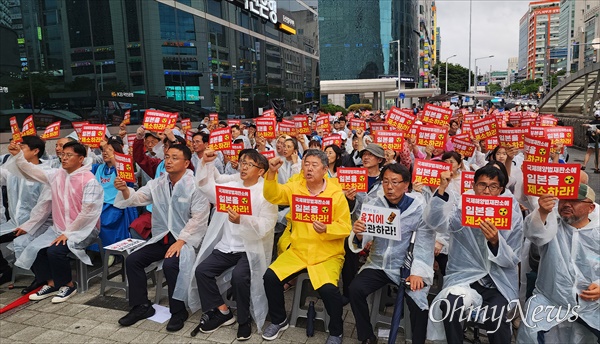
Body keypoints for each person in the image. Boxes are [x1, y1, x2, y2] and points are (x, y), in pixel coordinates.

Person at [113, 144, 209, 332]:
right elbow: (137, 198)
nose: (169, 161)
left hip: (188, 240)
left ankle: (179, 311)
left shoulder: (195, 186)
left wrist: (182, 240)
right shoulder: (158, 183)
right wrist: (125, 189)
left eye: (175, 157)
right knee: (133, 260)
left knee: (172, 264)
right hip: (163, 237)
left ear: (187, 162)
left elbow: (199, 218)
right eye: (167, 157)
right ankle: (141, 306)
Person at [424, 163, 523, 343]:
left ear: (501, 190)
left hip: (497, 284)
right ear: (473, 185)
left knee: (497, 317)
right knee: (450, 306)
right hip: (465, 279)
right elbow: (436, 222)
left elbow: (513, 258)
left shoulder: (512, 215)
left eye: (493, 186)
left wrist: (495, 242)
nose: (487, 191)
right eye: (482, 185)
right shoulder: (461, 208)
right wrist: (441, 190)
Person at [260, 149, 352, 344]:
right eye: (306, 164)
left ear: (325, 169)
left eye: (314, 165)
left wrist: (327, 228)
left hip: (327, 254)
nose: (309, 168)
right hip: (299, 251)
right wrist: (271, 173)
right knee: (270, 277)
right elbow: (273, 196)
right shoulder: (296, 188)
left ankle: (336, 331)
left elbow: (345, 227)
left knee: (329, 291)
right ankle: (279, 320)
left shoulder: (335, 194)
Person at [189, 149, 277, 341]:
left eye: (249, 164)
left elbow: (267, 225)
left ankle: (244, 320)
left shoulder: (266, 192)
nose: (243, 167)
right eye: (242, 162)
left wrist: (243, 220)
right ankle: (223, 311)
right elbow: (205, 186)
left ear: (261, 170)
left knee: (239, 277)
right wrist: (206, 163)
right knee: (202, 270)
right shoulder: (231, 183)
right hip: (226, 245)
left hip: (250, 248)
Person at [348, 163, 434, 344]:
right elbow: (364, 236)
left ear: (406, 184)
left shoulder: (418, 208)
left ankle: (417, 340)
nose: (389, 187)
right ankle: (367, 336)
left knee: (419, 302)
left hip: (406, 266)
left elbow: (424, 243)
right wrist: (359, 233)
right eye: (385, 181)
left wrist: (418, 272)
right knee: (355, 289)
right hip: (378, 263)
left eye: (395, 182)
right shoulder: (374, 204)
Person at [10, 141, 103, 303]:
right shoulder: (57, 175)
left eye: (69, 155)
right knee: (34, 247)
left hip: (84, 229)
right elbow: (33, 171)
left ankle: (68, 285)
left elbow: (88, 213)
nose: (64, 158)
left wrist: (68, 233)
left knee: (54, 251)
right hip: (59, 228)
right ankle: (51, 283)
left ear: (81, 159)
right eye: (62, 155)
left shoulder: (89, 180)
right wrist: (18, 156)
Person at [517, 185, 599, 344]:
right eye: (565, 199)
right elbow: (535, 233)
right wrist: (542, 211)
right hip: (550, 299)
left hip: (591, 303)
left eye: (575, 201)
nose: (567, 204)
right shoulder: (552, 226)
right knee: (530, 331)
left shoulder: (597, 233)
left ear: (591, 208)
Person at [0, 136, 53, 288]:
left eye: (22, 147)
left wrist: (29, 226)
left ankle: (42, 278)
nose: (19, 150)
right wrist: (15, 157)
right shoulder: (12, 172)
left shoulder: (46, 172)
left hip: (40, 224)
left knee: (26, 242)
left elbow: (44, 208)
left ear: (36, 151)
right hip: (16, 223)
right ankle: (5, 270)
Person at [92, 139, 138, 249]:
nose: (105, 152)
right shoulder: (98, 168)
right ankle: (97, 250)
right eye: (103, 150)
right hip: (100, 204)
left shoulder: (125, 167)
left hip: (116, 206)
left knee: (106, 221)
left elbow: (124, 175)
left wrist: (114, 158)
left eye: (109, 150)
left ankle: (112, 251)